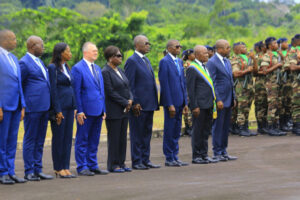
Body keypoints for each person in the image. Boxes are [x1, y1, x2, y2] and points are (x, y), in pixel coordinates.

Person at [71, 42, 108, 176]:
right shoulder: (78, 68)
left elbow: (101, 90)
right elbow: (77, 91)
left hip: (98, 110)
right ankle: (82, 166)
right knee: (82, 139)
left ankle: (93, 164)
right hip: (85, 111)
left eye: (97, 50)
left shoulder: (97, 68)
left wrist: (104, 109)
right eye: (94, 51)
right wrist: (79, 110)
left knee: (94, 139)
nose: (96, 53)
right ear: (85, 52)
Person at [20, 36, 53, 181]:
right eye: (42, 45)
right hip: (32, 107)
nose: (43, 48)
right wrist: (22, 105)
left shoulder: (39, 62)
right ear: (33, 46)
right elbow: (19, 85)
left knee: (40, 139)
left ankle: (38, 169)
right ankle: (29, 171)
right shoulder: (24, 63)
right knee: (30, 138)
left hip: (44, 106)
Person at [124, 35, 160, 170]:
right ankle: (137, 160)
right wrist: (134, 103)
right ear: (137, 45)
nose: (148, 45)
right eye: (146, 43)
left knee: (146, 134)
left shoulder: (146, 60)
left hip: (149, 103)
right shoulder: (132, 61)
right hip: (139, 105)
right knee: (137, 134)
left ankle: (146, 159)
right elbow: (129, 85)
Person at [0, 30, 26, 184]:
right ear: (4, 40)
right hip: (3, 106)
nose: (16, 41)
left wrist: (22, 105)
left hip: (16, 106)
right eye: (13, 39)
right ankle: (2, 172)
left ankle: (10, 171)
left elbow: (19, 84)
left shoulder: (14, 58)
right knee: (1, 141)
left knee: (11, 141)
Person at [102, 46, 133, 173]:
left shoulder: (120, 70)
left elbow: (127, 86)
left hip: (125, 110)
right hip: (114, 110)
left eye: (121, 55)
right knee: (114, 138)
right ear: (110, 58)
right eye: (118, 56)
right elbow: (110, 92)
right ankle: (113, 164)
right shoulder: (105, 72)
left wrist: (130, 99)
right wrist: (125, 102)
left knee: (122, 138)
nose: (121, 58)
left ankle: (122, 162)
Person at [158, 39, 189, 167]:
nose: (179, 48)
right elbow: (164, 84)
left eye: (180, 46)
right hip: (171, 102)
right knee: (170, 129)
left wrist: (185, 102)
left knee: (177, 130)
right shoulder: (164, 62)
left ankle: (175, 155)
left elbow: (183, 82)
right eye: (177, 47)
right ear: (169, 48)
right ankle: (169, 157)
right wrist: (169, 103)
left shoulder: (179, 61)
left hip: (180, 100)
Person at [48, 43, 76, 178]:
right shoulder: (53, 68)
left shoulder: (66, 67)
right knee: (59, 138)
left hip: (70, 107)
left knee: (67, 138)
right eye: (68, 51)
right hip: (60, 108)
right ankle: (58, 167)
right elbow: (53, 90)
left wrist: (75, 106)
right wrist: (57, 110)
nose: (70, 53)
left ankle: (66, 166)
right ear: (60, 53)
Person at [206, 39, 237, 162]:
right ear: (219, 49)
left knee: (225, 127)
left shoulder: (227, 61)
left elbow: (230, 81)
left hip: (228, 98)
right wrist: (217, 99)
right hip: (220, 100)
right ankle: (217, 152)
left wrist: (233, 97)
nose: (229, 49)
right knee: (218, 126)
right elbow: (212, 82)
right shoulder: (212, 62)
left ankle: (224, 151)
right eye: (227, 47)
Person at [186, 45, 218, 164]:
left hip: (208, 103)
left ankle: (204, 154)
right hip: (199, 105)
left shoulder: (205, 67)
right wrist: (194, 106)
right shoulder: (192, 68)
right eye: (204, 53)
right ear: (198, 55)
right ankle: (197, 155)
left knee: (205, 131)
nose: (207, 55)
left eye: (207, 53)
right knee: (198, 131)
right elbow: (191, 89)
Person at [259, 37, 286, 136]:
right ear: (269, 46)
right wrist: (276, 66)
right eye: (274, 43)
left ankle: (275, 126)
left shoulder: (277, 54)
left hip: (278, 83)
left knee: (277, 104)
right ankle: (270, 127)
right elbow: (264, 71)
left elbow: (283, 64)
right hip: (271, 84)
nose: (277, 45)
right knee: (272, 105)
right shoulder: (267, 56)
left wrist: (281, 58)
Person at [231, 42, 258, 137]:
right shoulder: (235, 59)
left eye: (245, 46)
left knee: (247, 107)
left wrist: (254, 59)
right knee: (242, 108)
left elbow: (255, 71)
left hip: (249, 86)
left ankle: (246, 127)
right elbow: (235, 73)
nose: (245, 48)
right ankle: (241, 128)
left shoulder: (247, 58)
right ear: (237, 49)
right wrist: (247, 70)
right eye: (243, 47)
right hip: (241, 86)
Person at [284, 34, 300, 135]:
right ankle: (297, 126)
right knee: (297, 104)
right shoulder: (294, 51)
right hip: (297, 83)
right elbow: (292, 67)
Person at [277, 38, 293, 132]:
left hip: (289, 81)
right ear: (280, 44)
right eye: (285, 42)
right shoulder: (278, 54)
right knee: (282, 102)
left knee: (289, 101)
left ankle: (287, 120)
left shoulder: (288, 53)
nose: (287, 44)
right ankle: (281, 122)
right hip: (281, 81)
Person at [254, 41, 269, 134]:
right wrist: (264, 72)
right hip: (260, 83)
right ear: (260, 48)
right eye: (263, 46)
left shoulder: (267, 56)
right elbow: (255, 72)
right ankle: (260, 126)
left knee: (266, 104)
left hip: (267, 83)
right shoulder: (258, 57)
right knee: (260, 104)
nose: (265, 47)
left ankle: (265, 124)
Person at [182, 49, 195, 137]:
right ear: (188, 56)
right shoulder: (188, 64)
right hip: (188, 89)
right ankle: (189, 127)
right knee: (188, 108)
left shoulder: (193, 64)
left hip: (191, 88)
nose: (194, 55)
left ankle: (190, 127)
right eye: (193, 54)